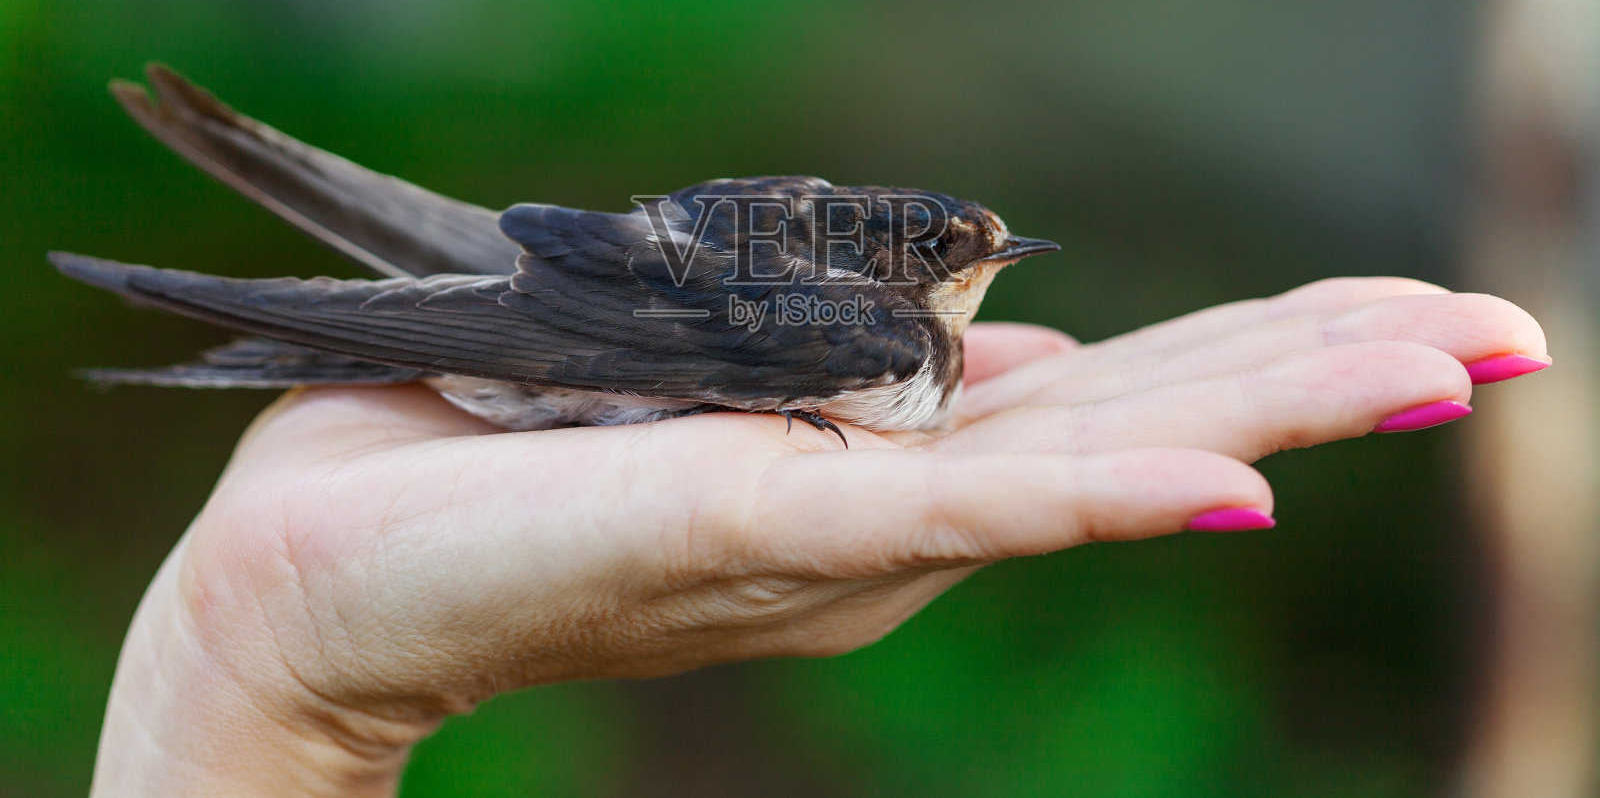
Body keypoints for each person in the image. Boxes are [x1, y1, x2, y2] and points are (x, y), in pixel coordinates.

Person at [89, 277, 1549, 796]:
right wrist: (256, 653)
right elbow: (625, 316)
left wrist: (252, 678)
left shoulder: (870, 320)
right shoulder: (844, 321)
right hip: (583, 315)